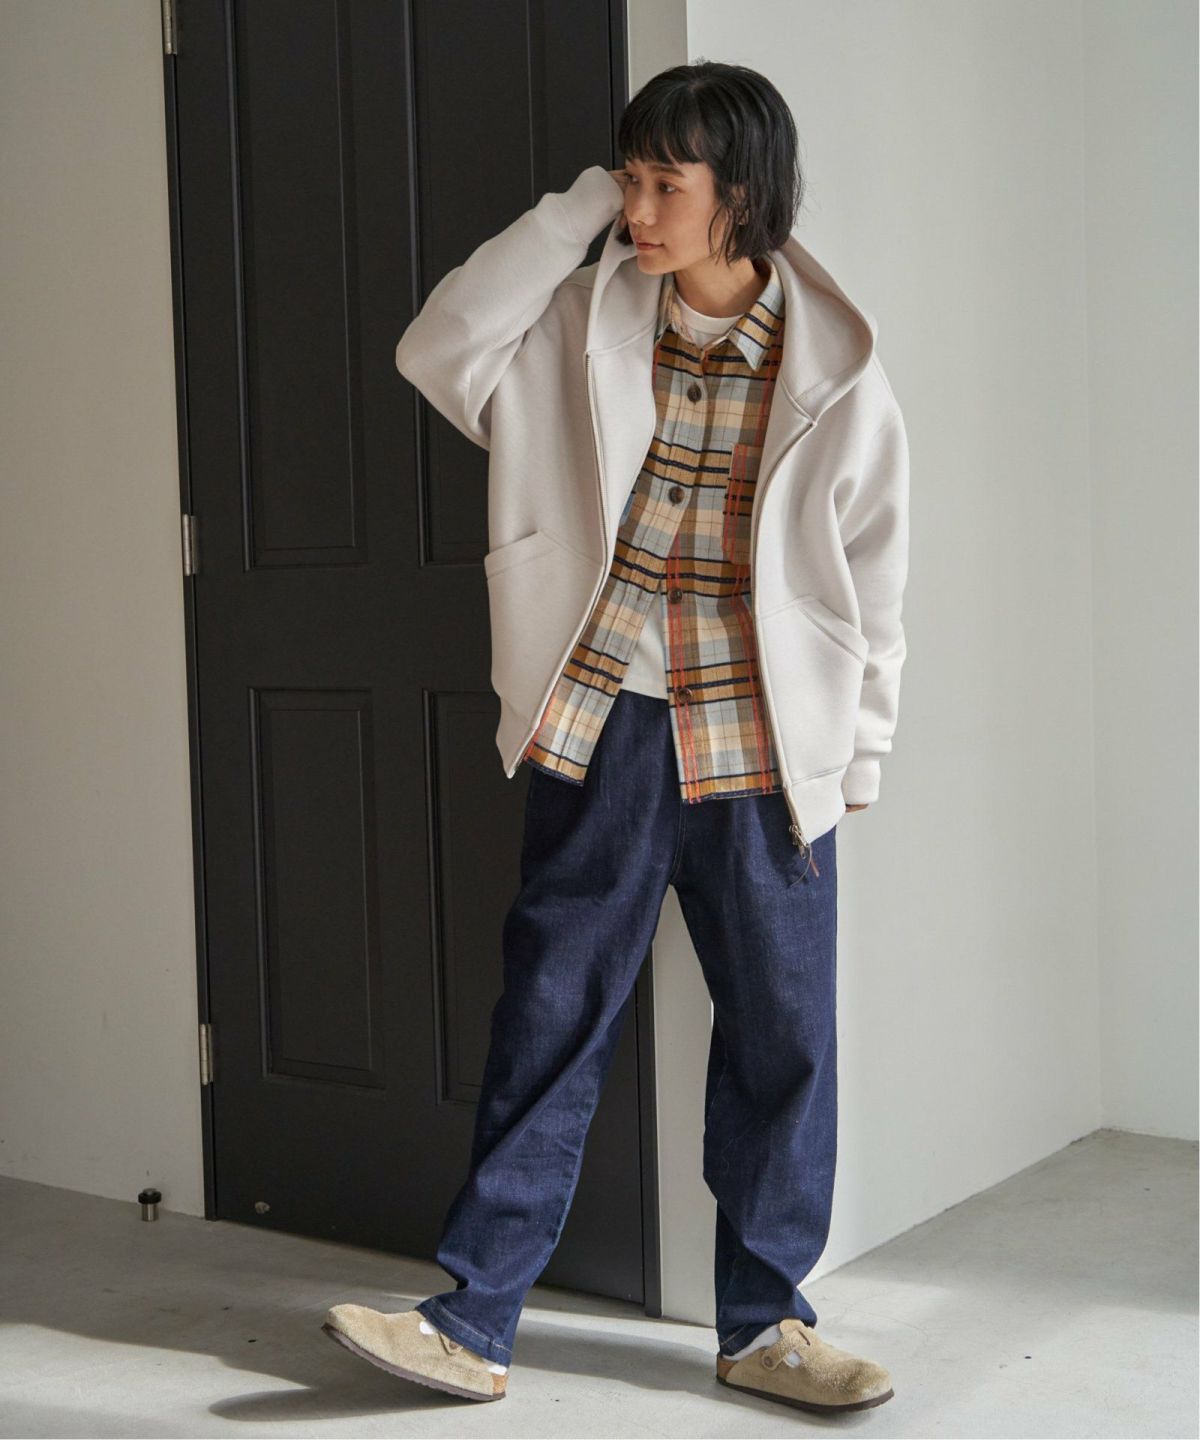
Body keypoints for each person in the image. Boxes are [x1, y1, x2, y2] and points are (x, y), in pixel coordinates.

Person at [323, 60, 908, 1416]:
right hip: (608, 721)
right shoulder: (575, 320)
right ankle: (473, 1322)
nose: (638, 209)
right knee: (549, 1018)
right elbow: (436, 347)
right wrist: (581, 204)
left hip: (769, 747)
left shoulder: (839, 368)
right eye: (628, 180)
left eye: (662, 184)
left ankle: (768, 1325)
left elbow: (877, 576)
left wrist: (862, 752)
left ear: (739, 194)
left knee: (785, 1040)